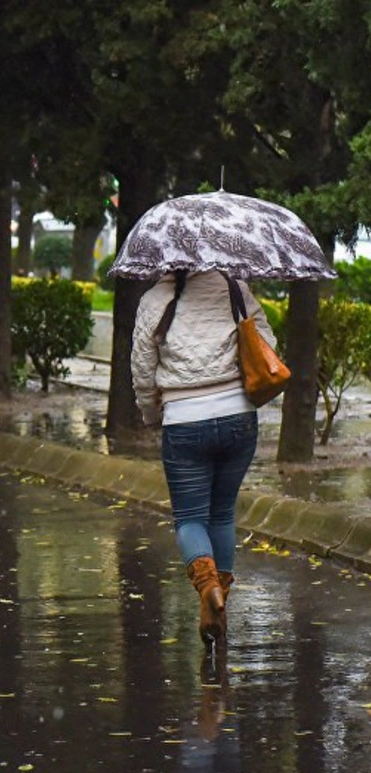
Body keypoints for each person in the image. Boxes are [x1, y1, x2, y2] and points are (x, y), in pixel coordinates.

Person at [131, 268, 275, 652]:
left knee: (190, 518)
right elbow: (267, 343)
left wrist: (151, 414)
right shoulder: (235, 290)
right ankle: (219, 604)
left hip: (184, 420)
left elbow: (143, 369)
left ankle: (208, 587)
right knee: (222, 513)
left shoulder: (154, 300)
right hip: (238, 418)